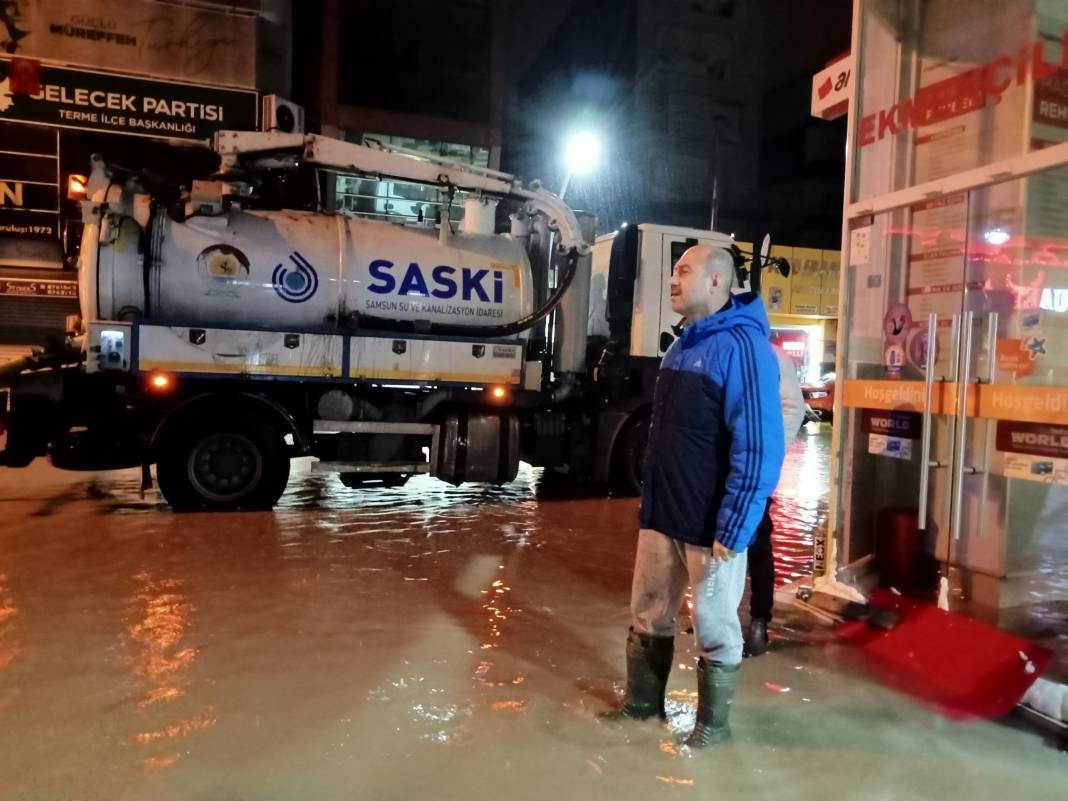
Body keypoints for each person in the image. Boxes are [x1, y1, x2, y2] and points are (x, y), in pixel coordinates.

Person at [603, 245, 785, 747]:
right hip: (664, 513)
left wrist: (737, 523)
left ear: (717, 282)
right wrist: (649, 508)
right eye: (674, 270)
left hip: (712, 523)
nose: (673, 279)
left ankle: (712, 730)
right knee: (648, 612)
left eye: (684, 270)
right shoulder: (683, 344)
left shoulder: (742, 347)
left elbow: (761, 443)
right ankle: (642, 709)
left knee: (714, 626)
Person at [743, 347, 806, 657]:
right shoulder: (724, 346)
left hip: (754, 464)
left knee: (756, 541)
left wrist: (768, 452)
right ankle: (724, 618)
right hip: (722, 463)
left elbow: (793, 407)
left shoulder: (771, 356)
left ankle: (758, 621)